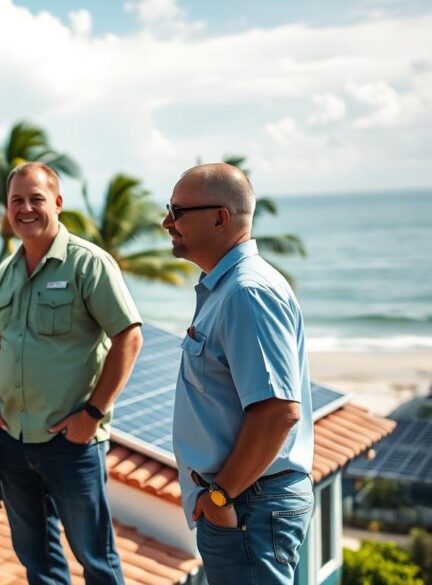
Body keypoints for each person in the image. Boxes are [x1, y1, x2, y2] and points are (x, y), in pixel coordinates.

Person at [0, 161, 142, 585]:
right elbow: (0, 336)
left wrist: (91, 415)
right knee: (37, 560)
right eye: (16, 200)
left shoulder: (88, 264)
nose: (26, 208)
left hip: (70, 446)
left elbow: (128, 337)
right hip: (13, 442)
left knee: (97, 560)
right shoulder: (6, 270)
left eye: (36, 198)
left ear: (57, 202)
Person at [166, 163, 314, 584]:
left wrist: (219, 495)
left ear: (220, 217)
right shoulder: (228, 288)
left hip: (248, 503)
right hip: (244, 502)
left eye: (177, 211)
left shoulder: (246, 292)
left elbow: (277, 412)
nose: (166, 222)